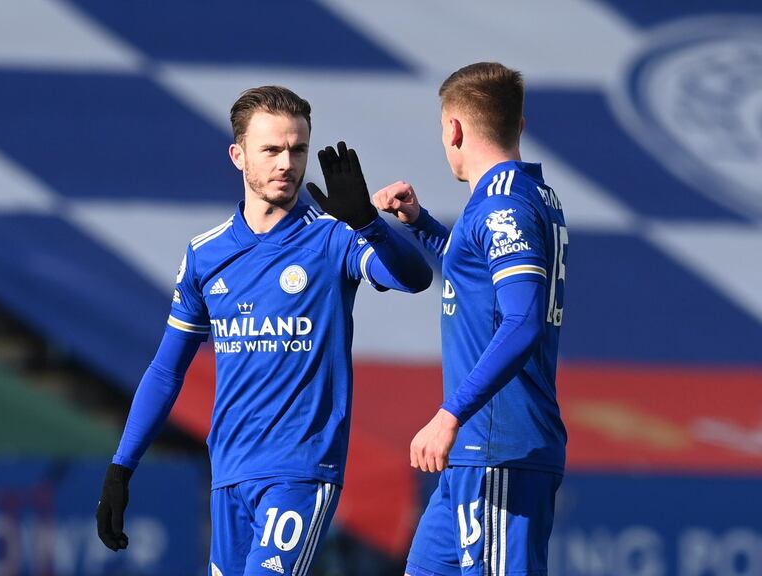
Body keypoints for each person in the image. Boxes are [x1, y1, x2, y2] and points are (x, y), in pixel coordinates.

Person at [95, 85, 433, 576]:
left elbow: (414, 278)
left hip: (301, 469)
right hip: (229, 474)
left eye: (297, 149)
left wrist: (368, 225)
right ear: (238, 155)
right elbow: (167, 370)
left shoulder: (334, 236)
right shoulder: (205, 255)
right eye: (271, 149)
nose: (286, 163)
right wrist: (121, 468)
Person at [372, 62, 568, 576]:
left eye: (442, 129)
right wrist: (422, 225)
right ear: (518, 125)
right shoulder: (520, 197)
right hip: (473, 456)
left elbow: (521, 321)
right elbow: (475, 272)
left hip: (500, 447)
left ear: (454, 128)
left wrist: (449, 414)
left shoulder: (504, 206)